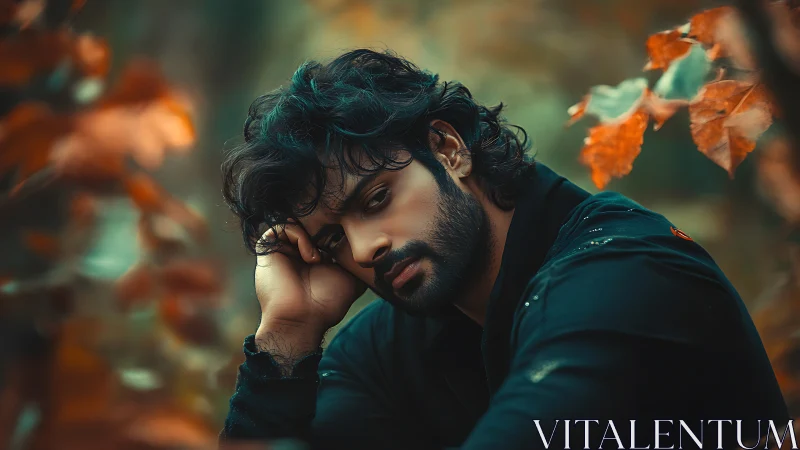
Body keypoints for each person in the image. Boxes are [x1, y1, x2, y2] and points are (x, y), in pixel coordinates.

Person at [219, 49, 789, 450]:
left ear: (447, 149)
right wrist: (288, 337)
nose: (366, 249)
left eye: (375, 199)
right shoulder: (390, 349)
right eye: (333, 240)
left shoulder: (630, 273)